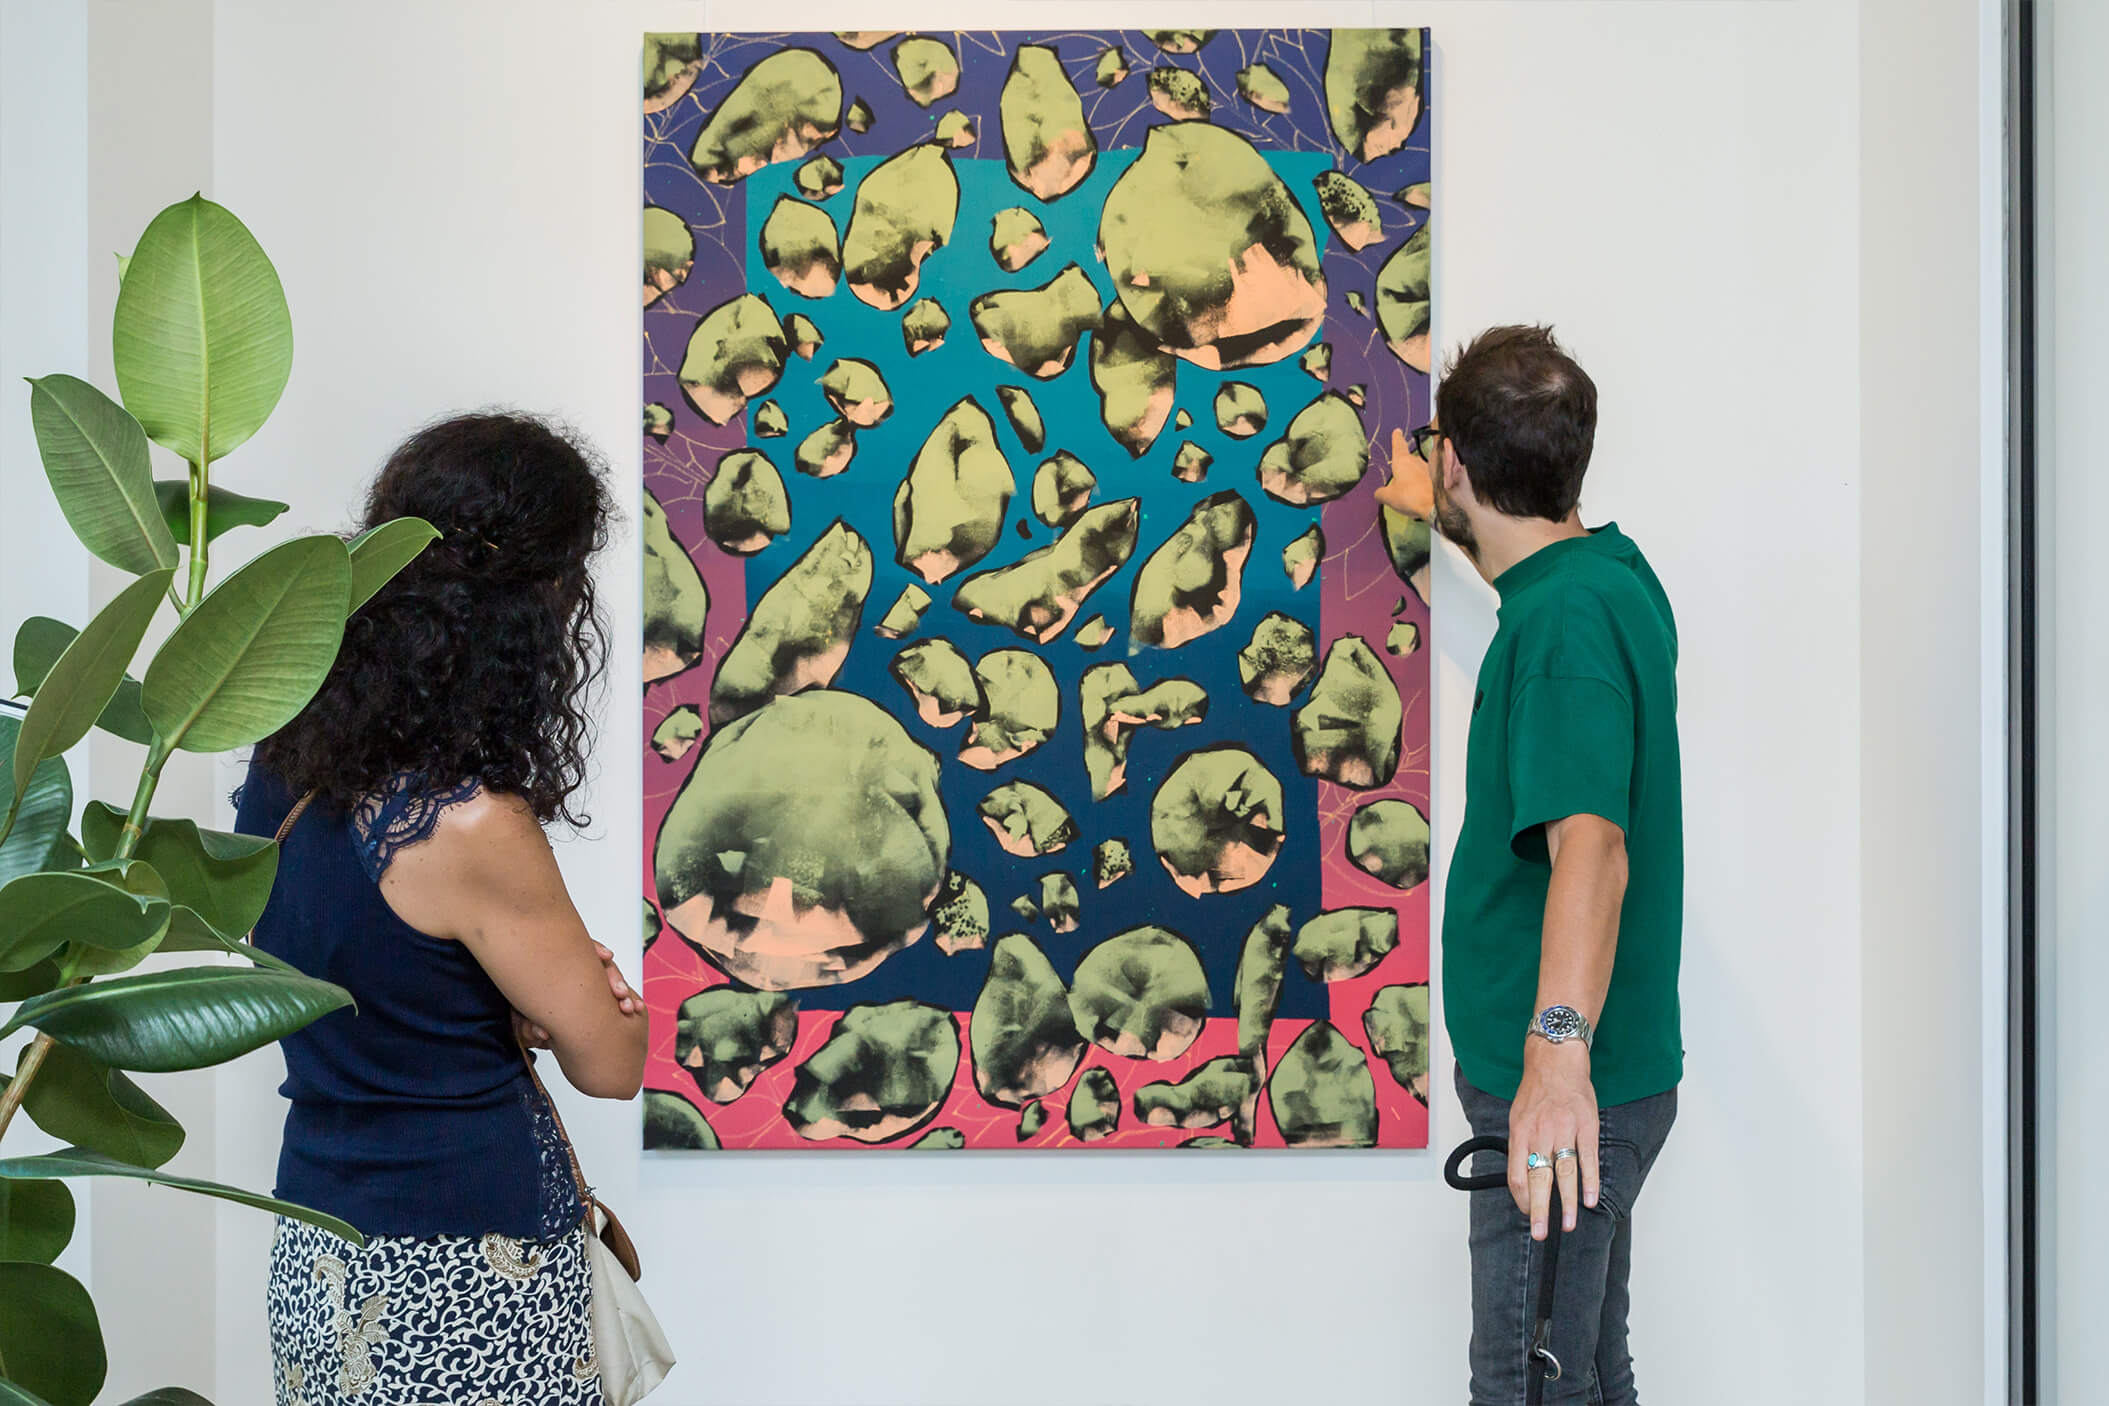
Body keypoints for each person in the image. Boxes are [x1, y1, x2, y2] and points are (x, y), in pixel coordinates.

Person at [235, 412, 647, 1405]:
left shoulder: (280, 769)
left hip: (317, 1250)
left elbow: (374, 975)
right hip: (469, 1274)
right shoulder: (470, 823)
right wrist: (590, 999)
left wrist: (491, 995)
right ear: (529, 607)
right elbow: (610, 1065)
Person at [1377, 326, 1683, 1405]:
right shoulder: (1605, 575)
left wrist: (1555, 1063)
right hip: (1602, 1076)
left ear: (1457, 458)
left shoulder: (1559, 630)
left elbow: (1591, 846)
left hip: (1561, 1093)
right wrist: (1446, 506)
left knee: (1525, 1385)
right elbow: (1524, 558)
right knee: (1584, 1375)